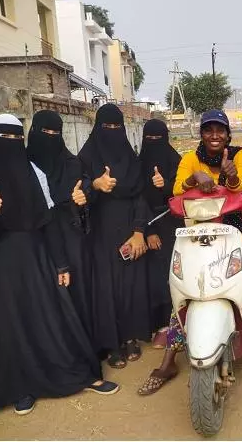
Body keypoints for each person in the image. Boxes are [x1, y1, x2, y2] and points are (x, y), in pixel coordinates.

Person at [137, 109, 242, 406]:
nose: (214, 135)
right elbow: (176, 192)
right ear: (201, 133)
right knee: (184, 293)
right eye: (208, 130)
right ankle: (168, 362)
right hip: (198, 239)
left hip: (239, 237)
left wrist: (231, 176)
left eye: (220, 130)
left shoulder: (240, 156)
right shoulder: (189, 159)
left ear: (228, 134)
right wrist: (192, 180)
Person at [0, 114, 118, 417]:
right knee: (9, 325)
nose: (10, 146)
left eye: (15, 139)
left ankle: (77, 375)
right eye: (3, 139)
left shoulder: (35, 174)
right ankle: (21, 390)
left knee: (52, 317)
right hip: (0, 265)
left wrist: (61, 265)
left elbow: (47, 224)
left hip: (37, 257)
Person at [73, 103, 151, 368]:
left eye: (118, 127)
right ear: (97, 128)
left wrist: (140, 232)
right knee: (105, 289)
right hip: (100, 235)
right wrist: (94, 184)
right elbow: (78, 197)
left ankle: (130, 337)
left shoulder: (132, 160)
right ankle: (111, 342)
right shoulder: (86, 158)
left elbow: (141, 196)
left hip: (130, 232)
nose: (113, 132)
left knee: (131, 286)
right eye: (107, 127)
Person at [27, 110, 93, 340]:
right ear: (33, 131)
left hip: (69, 237)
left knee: (77, 295)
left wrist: (83, 198)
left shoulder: (72, 164)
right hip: (36, 240)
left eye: (56, 133)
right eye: (45, 132)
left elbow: (84, 190)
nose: (51, 137)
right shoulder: (24, 167)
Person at [138, 119, 184, 348]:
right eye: (150, 139)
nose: (154, 144)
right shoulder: (138, 164)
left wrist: (165, 185)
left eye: (158, 139)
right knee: (155, 279)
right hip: (151, 228)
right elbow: (136, 201)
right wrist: (149, 231)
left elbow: (183, 192)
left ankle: (179, 323)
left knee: (176, 275)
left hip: (175, 226)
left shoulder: (177, 161)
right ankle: (161, 326)